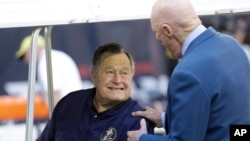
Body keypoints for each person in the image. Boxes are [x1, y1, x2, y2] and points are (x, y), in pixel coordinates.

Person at [127, 0, 250, 141]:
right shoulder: (232, 45)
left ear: (168, 30)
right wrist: (164, 119)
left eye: (157, 33)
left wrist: (142, 139)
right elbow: (218, 117)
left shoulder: (187, 73)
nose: (157, 38)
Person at [36, 42, 155, 141]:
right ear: (94, 76)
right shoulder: (69, 104)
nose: (118, 80)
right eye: (109, 72)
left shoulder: (138, 122)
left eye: (124, 73)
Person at [15, 35, 83, 105]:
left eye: (24, 55)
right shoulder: (58, 56)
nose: (25, 60)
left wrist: (57, 114)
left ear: (32, 49)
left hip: (70, 110)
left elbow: (55, 92)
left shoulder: (45, 62)